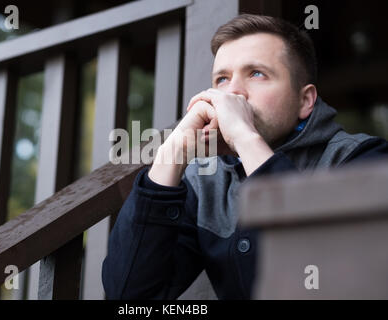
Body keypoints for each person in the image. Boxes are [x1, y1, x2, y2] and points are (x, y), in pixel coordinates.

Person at [102, 14, 388, 299]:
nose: (233, 92)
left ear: (305, 101)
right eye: (222, 79)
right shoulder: (205, 182)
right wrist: (171, 156)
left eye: (256, 73)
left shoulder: (362, 159)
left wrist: (244, 137)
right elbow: (129, 297)